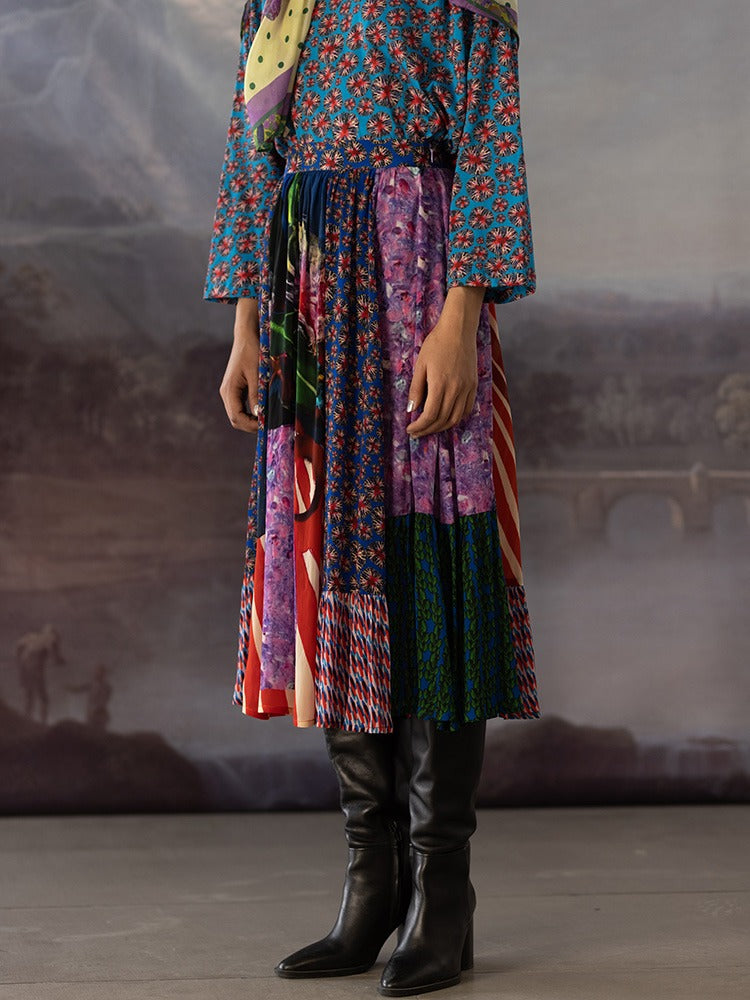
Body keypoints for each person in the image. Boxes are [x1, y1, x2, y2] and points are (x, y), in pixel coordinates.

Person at [204, 1, 541, 994]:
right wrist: (245, 325)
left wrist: (460, 319)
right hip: (307, 285)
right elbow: (251, 154)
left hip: (416, 274)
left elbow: (489, 141)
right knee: (331, 560)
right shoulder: (278, 2)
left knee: (425, 558)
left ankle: (444, 890)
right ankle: (373, 880)